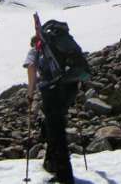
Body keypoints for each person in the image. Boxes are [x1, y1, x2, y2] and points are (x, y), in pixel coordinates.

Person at [23, 36, 78, 184]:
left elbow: (31, 68)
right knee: (53, 125)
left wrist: (30, 92)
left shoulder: (36, 50)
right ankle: (51, 162)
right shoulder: (59, 46)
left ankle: (65, 176)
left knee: (57, 132)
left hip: (51, 92)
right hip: (68, 90)